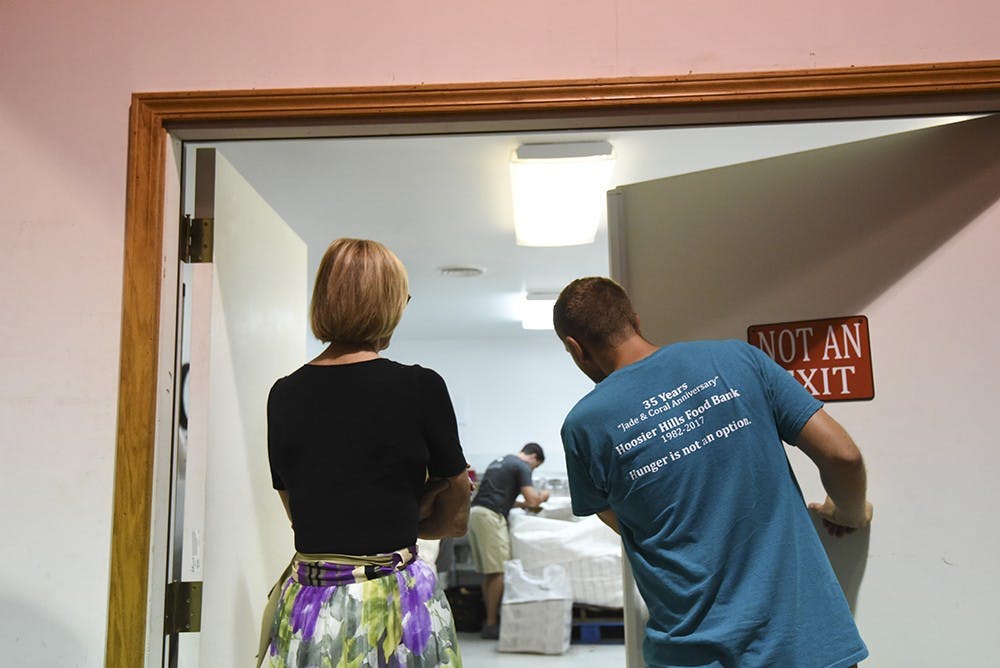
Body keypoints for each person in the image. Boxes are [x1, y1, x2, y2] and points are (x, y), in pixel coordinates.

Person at [553, 277, 873, 668]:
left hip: (694, 655)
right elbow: (843, 456)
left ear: (575, 348)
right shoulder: (738, 359)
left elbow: (616, 516)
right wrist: (850, 513)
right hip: (805, 644)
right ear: (634, 320)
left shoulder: (584, 426)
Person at [262, 238, 471, 667]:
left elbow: (299, 515)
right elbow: (456, 517)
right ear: (388, 304)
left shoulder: (283, 395)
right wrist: (418, 506)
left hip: (310, 608)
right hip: (395, 604)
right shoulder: (420, 387)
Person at [466, 443, 550, 639]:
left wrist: (521, 504)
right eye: (535, 467)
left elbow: (502, 497)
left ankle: (490, 621)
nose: (532, 470)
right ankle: (492, 624)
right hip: (490, 517)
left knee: (490, 573)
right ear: (534, 458)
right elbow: (532, 500)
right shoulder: (522, 466)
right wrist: (544, 496)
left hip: (477, 513)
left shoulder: (500, 462)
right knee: (499, 571)